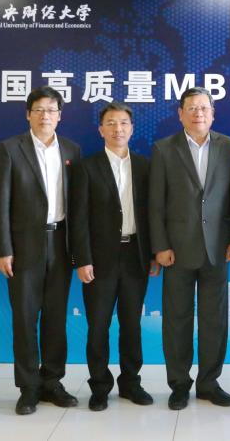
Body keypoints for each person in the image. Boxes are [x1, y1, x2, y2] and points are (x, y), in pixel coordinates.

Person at [0, 86, 82, 415]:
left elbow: (78, 205)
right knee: (25, 318)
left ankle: (52, 381)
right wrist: (3, 248)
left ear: (60, 115)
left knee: (56, 317)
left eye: (51, 110)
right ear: (28, 114)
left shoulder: (71, 150)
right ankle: (28, 387)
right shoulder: (10, 149)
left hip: (61, 243)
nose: (45, 115)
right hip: (24, 246)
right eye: (39, 109)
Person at [149, 86, 230, 410]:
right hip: (176, 250)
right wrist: (160, 245)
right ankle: (179, 384)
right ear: (180, 114)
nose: (198, 113)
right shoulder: (164, 149)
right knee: (177, 320)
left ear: (212, 114)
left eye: (204, 108)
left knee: (215, 320)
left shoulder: (228, 146)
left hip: (218, 248)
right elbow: (155, 203)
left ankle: (209, 383)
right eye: (191, 108)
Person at [69, 102, 159, 412]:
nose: (117, 129)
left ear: (132, 129)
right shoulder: (86, 167)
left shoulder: (145, 166)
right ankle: (99, 386)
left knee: (132, 324)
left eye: (123, 123)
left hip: (135, 255)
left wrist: (153, 254)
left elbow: (152, 214)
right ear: (101, 130)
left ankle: (131, 383)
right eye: (110, 123)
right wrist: (82, 259)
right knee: (98, 325)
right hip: (99, 258)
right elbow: (78, 218)